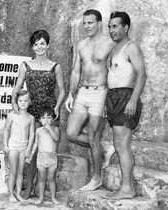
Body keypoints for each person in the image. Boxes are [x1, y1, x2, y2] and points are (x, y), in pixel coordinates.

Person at [65, 9, 116, 191]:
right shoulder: (81, 45)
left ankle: (96, 178)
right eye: (84, 23)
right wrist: (71, 94)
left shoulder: (110, 43)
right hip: (82, 93)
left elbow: (114, 72)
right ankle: (105, 148)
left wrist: (108, 99)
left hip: (100, 93)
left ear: (99, 23)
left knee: (94, 137)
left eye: (90, 23)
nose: (86, 26)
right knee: (71, 133)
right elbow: (76, 71)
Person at [11, 29, 65, 198]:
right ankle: (28, 188)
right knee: (32, 151)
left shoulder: (56, 67)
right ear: (32, 47)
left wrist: (57, 107)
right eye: (36, 44)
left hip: (48, 112)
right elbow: (18, 87)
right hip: (32, 111)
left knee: (47, 149)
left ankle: (43, 190)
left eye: (42, 43)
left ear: (48, 45)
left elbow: (62, 90)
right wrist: (14, 101)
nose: (39, 47)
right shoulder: (26, 65)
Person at [105, 11, 147, 199]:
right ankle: (125, 187)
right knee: (118, 143)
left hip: (126, 96)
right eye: (110, 26)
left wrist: (132, 100)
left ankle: (127, 188)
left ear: (126, 27)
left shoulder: (132, 48)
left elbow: (141, 75)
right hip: (113, 97)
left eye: (115, 26)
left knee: (122, 144)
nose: (111, 30)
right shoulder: (114, 49)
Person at [3, 90, 36, 202]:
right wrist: (5, 144)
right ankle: (11, 194)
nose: (23, 103)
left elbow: (32, 134)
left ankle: (18, 193)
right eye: (20, 101)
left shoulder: (31, 118)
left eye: (25, 101)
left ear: (29, 102)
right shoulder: (12, 115)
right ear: (16, 102)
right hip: (13, 146)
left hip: (24, 146)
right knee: (13, 170)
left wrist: (29, 149)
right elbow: (6, 130)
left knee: (21, 172)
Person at [28, 107, 60, 205]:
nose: (46, 120)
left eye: (49, 117)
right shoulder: (38, 131)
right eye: (43, 118)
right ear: (40, 120)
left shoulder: (55, 129)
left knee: (51, 178)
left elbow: (56, 139)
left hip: (52, 157)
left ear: (53, 119)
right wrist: (31, 154)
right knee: (41, 178)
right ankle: (41, 197)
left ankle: (53, 198)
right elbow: (35, 144)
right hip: (41, 157)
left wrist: (49, 128)